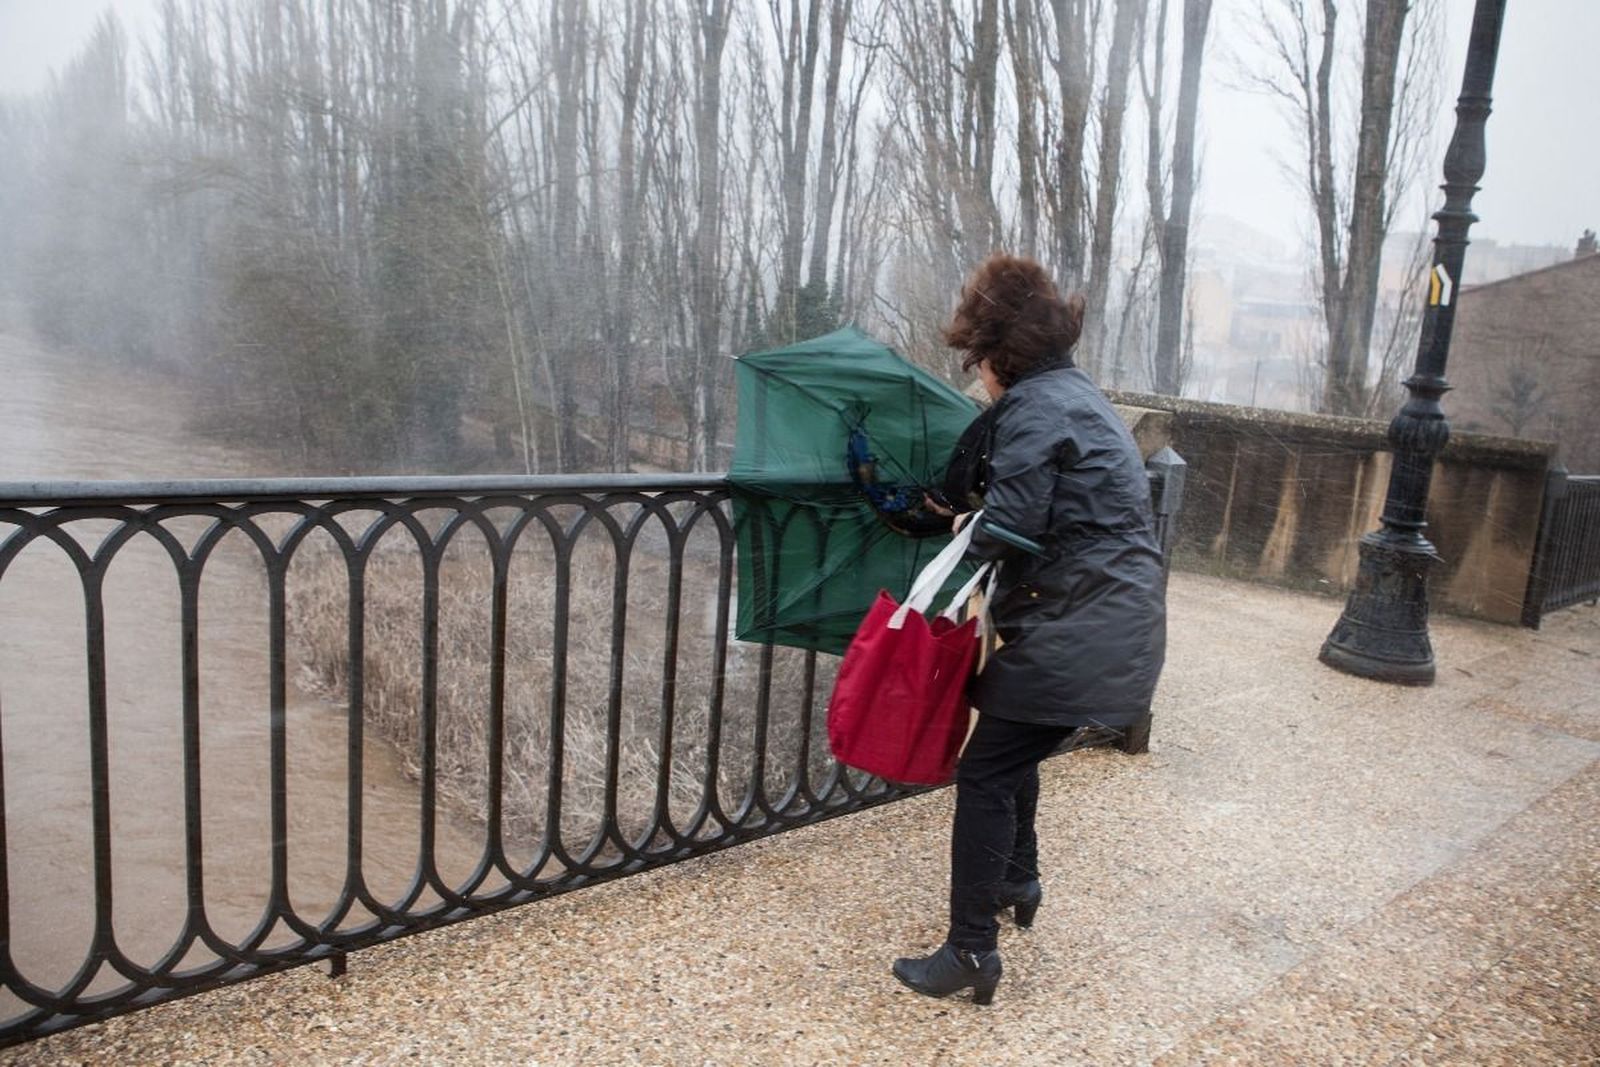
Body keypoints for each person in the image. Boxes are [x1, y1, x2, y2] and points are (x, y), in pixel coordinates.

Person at [893, 253, 1167, 1005]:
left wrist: (944, 530)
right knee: (1014, 744)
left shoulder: (1036, 409)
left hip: (1083, 627)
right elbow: (1051, 513)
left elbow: (1012, 526)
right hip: (1113, 623)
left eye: (978, 361)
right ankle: (1018, 876)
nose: (977, 377)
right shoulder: (1074, 396)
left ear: (997, 357)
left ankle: (971, 951)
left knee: (984, 770)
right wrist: (970, 516)